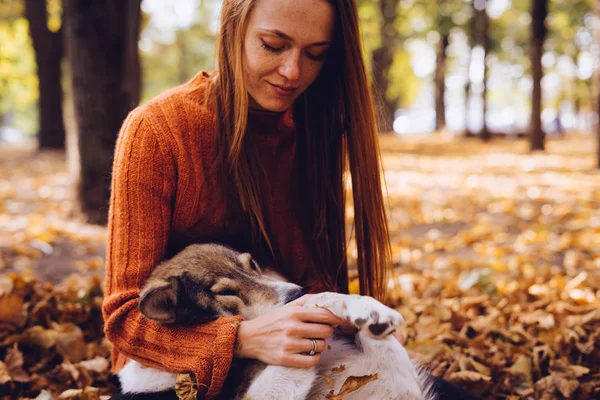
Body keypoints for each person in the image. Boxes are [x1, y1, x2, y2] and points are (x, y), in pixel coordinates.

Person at [103, 0, 481, 399]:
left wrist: (347, 318)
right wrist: (241, 339)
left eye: (315, 54)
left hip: (295, 359)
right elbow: (126, 316)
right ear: (234, 30)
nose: (293, 72)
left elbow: (314, 276)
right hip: (174, 376)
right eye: (272, 44)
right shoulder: (157, 133)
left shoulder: (313, 132)